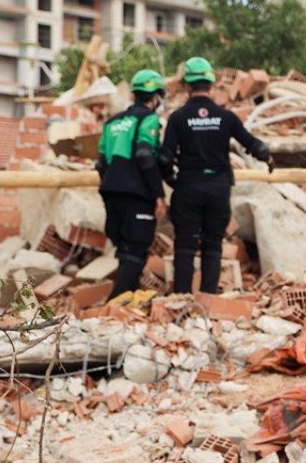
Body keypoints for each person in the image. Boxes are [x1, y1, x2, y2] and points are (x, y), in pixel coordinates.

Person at [159, 56, 272, 294]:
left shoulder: (178, 118)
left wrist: (172, 180)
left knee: (185, 246)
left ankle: (182, 298)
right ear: (211, 85)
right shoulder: (225, 117)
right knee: (212, 245)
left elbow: (165, 159)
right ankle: (208, 298)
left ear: (188, 86)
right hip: (218, 188)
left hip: (188, 186)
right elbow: (253, 145)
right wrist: (269, 159)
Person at [97, 69, 167, 300]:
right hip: (137, 194)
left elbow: (101, 163)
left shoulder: (112, 122)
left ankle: (128, 305)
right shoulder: (148, 119)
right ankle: (110, 307)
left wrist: (111, 185)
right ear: (155, 97)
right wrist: (158, 195)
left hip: (111, 192)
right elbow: (145, 155)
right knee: (136, 252)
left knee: (125, 251)